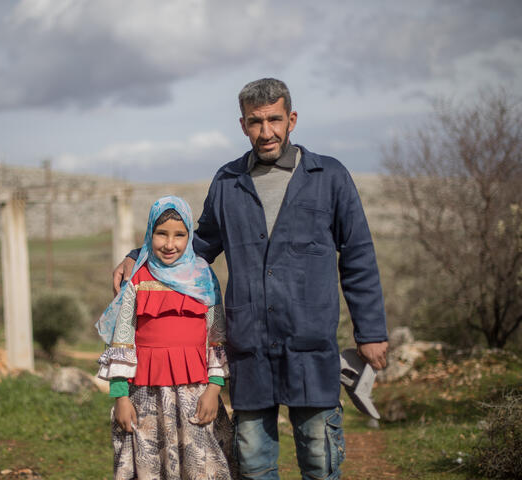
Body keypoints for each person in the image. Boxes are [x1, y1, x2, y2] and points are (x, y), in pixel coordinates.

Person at [113, 78, 389, 480]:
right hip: (250, 349)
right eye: (255, 122)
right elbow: (199, 243)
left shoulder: (329, 176)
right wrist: (136, 257)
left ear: (291, 119)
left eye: (274, 120)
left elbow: (359, 255)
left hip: (311, 347)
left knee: (320, 461)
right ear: (242, 124)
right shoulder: (228, 182)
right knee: (255, 466)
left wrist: (371, 331)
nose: (266, 131)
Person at [97, 195, 236, 479]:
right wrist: (121, 396)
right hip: (144, 397)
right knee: (150, 467)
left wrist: (214, 389)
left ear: (190, 237)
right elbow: (122, 341)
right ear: (150, 233)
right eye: (161, 234)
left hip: (195, 395)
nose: (170, 244)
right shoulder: (136, 278)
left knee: (200, 466)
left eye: (179, 235)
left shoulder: (204, 278)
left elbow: (216, 339)